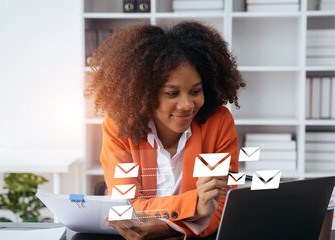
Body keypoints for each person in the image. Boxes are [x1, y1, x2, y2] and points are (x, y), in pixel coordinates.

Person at [84, 21, 245, 239]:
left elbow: (222, 206)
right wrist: (195, 205)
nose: (187, 104)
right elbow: (128, 205)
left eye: (195, 91)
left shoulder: (217, 124)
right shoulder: (119, 127)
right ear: (145, 94)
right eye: (172, 93)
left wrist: (169, 228)